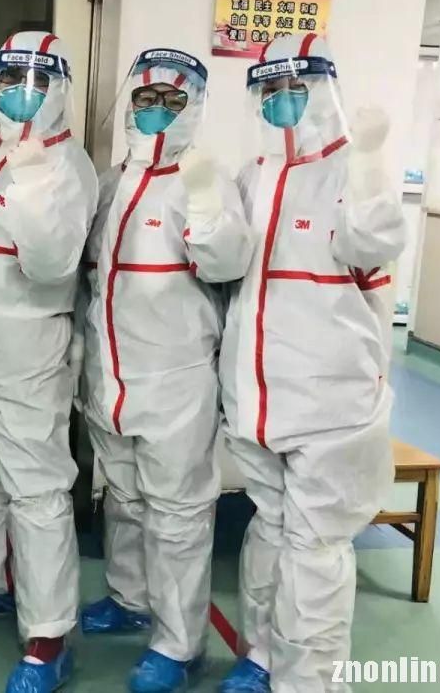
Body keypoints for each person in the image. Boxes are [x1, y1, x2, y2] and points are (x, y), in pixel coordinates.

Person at [217, 33, 405, 693]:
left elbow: (373, 242)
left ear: (325, 91)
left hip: (331, 403)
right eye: (269, 89)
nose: (281, 101)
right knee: (271, 530)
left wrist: (371, 165)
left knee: (316, 549)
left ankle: (312, 681)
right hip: (257, 398)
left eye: (296, 88)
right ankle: (262, 654)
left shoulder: (350, 170)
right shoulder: (252, 175)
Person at [79, 48, 253, 692]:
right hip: (109, 376)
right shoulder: (108, 183)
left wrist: (203, 201)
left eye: (172, 101)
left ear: (195, 109)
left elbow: (227, 263)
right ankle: (128, 597)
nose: (155, 111)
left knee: (177, 515)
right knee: (124, 498)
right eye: (145, 99)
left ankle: (180, 645)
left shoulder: (208, 182)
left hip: (176, 380)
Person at [0, 31, 99, 693]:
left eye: (37, 80)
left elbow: (51, 265)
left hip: (24, 340)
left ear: (60, 88)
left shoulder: (68, 169)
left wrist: (33, 181)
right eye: (9, 79)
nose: (21, 92)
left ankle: (49, 635)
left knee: (35, 485)